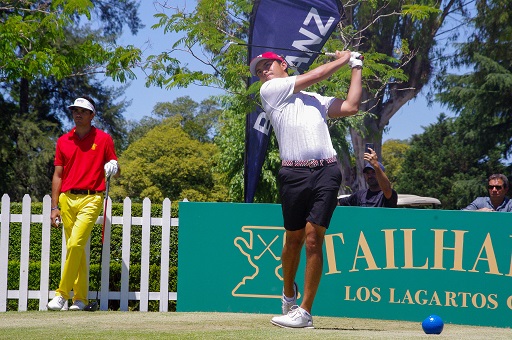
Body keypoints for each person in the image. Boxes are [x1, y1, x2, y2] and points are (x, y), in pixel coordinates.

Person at [249, 50, 362, 328]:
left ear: (282, 64)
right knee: (294, 239)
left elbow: (350, 107)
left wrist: (356, 65)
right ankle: (289, 293)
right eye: (259, 69)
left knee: (313, 239)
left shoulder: (316, 100)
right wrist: (343, 59)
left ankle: (305, 312)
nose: (264, 71)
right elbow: (315, 75)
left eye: (268, 65)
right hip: (293, 173)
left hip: (327, 171)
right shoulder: (270, 90)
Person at [47, 96, 120, 311]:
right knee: (76, 250)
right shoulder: (63, 141)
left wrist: (114, 167)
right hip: (67, 199)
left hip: (92, 197)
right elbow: (58, 175)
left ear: (92, 115)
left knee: (75, 244)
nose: (77, 114)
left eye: (82, 111)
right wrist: (54, 207)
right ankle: (80, 299)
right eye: (74, 111)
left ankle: (61, 295)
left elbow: (115, 169)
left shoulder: (104, 139)